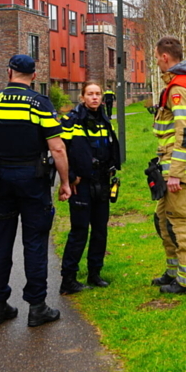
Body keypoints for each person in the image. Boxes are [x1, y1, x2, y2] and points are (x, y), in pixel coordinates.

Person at [0, 55, 71, 327]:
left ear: (9, 72)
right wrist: (64, 182)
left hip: (0, 179)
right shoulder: (40, 104)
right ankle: (37, 306)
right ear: (33, 75)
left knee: (1, 240)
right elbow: (57, 148)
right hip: (32, 178)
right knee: (34, 241)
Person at [149, 36, 186, 294]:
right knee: (163, 219)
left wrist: (175, 174)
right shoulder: (176, 84)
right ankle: (174, 272)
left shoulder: (178, 87)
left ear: (164, 57)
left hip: (179, 169)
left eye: (156, 57)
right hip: (170, 165)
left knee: (180, 222)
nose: (155, 61)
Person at [59, 82, 121, 294]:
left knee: (100, 230)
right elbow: (60, 150)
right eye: (90, 94)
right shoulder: (71, 120)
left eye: (97, 94)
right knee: (79, 231)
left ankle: (95, 273)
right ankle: (68, 279)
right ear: (82, 97)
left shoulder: (104, 119)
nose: (94, 98)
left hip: (102, 181)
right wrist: (69, 177)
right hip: (81, 183)